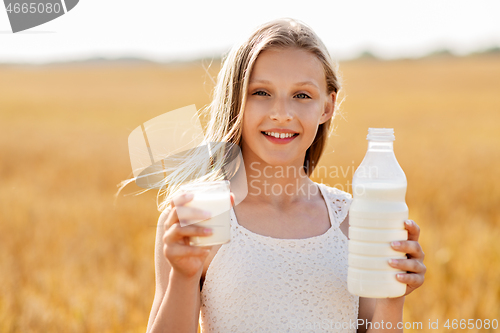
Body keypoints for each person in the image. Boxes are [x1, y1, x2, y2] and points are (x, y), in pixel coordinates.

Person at [146, 18, 426, 333]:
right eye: (262, 92)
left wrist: (393, 297)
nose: (282, 113)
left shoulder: (353, 219)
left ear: (327, 106)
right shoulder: (197, 217)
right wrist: (182, 276)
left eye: (302, 95)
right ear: (236, 99)